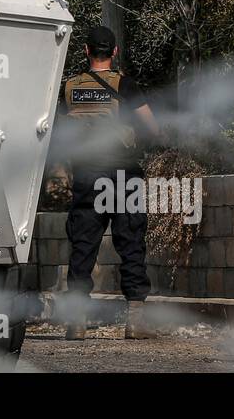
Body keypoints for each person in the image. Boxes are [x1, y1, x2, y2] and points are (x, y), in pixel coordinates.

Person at [62, 25, 161, 340]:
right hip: (123, 175)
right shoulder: (125, 85)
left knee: (83, 247)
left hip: (87, 175)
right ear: (114, 52)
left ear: (86, 52)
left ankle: (76, 321)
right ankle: (135, 322)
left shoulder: (69, 88)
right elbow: (152, 128)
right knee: (131, 243)